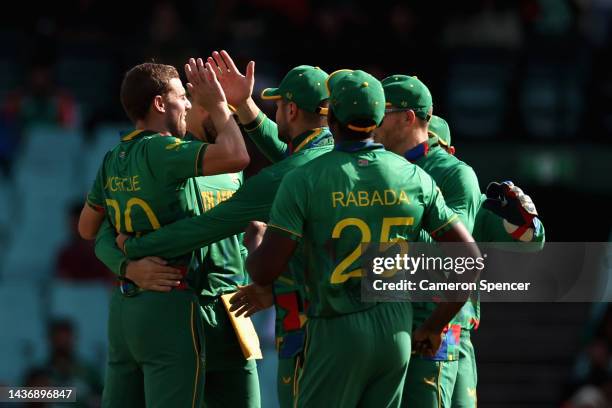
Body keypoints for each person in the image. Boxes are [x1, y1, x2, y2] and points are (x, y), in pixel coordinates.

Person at [244, 69, 481, 407]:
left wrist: (256, 240)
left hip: (337, 328)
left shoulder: (305, 178)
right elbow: (470, 261)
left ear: (333, 119)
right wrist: (433, 325)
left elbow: (263, 271)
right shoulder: (414, 177)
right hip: (396, 332)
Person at [78, 59, 249, 408]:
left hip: (128, 305)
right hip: (173, 298)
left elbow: (87, 228)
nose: (186, 103)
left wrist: (128, 262)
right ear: (159, 103)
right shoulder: (165, 149)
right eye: (180, 96)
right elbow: (236, 155)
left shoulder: (113, 157)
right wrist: (220, 105)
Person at [56, 202, 113, 283]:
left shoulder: (107, 253)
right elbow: (63, 283)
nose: (76, 228)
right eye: (73, 224)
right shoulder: (66, 255)